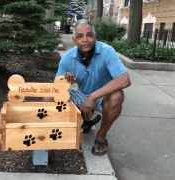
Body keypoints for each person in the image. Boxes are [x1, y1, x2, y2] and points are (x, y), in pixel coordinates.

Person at [55, 19, 131, 156]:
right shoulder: (67, 58)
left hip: (103, 97)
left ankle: (101, 135)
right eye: (80, 36)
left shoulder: (107, 52)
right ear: (74, 40)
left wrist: (93, 96)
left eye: (89, 35)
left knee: (117, 96)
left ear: (95, 37)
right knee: (49, 98)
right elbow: (56, 88)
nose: (85, 40)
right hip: (81, 94)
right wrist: (64, 80)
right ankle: (74, 125)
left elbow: (124, 79)